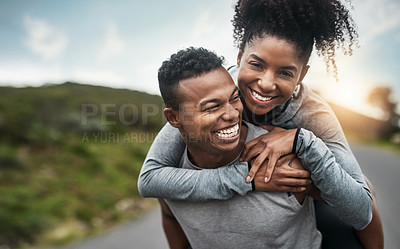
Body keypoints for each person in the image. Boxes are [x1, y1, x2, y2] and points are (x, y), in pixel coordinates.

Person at [138, 0, 383, 248]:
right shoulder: (219, 88)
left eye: (286, 73)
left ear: (302, 75)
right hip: (248, 195)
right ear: (240, 57)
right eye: (256, 64)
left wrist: (300, 140)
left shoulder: (314, 116)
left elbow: (362, 209)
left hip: (304, 197)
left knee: (362, 186)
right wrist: (248, 179)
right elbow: (150, 179)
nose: (266, 83)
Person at [155, 47, 351, 248]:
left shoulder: (287, 163)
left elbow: (355, 209)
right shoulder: (169, 181)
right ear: (174, 118)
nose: (232, 115)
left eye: (234, 98)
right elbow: (170, 217)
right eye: (212, 107)